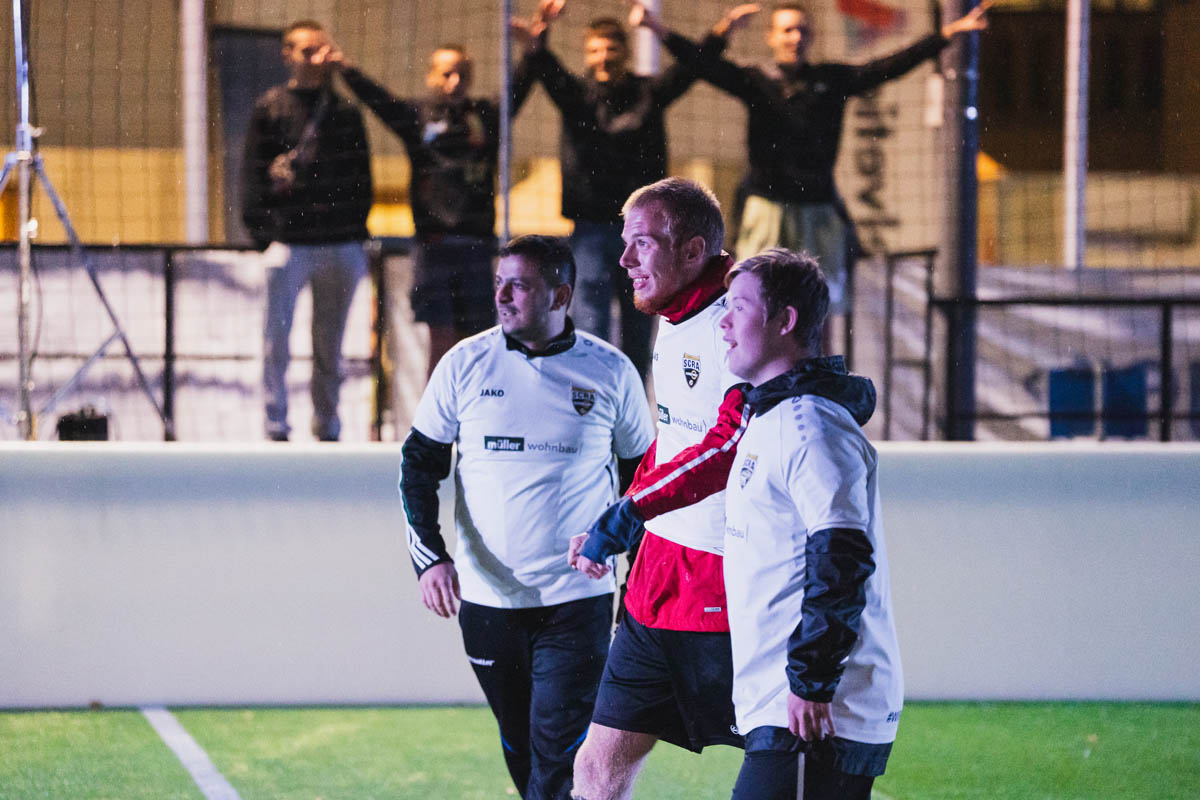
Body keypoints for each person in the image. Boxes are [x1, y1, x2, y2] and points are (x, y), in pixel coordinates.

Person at [399, 235, 655, 800]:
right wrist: (430, 559)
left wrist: (635, 580)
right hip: (487, 600)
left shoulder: (611, 371)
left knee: (559, 750)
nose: (502, 296)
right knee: (520, 743)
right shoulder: (463, 364)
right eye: (500, 283)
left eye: (519, 285)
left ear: (561, 295)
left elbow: (643, 485)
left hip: (577, 600)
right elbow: (417, 466)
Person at [634, 0, 991, 350]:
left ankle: (818, 377)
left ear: (812, 37)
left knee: (820, 308)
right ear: (772, 37)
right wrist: (675, 29)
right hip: (767, 207)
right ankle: (754, 378)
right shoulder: (755, 80)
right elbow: (702, 64)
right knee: (752, 302)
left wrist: (946, 35)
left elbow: (888, 66)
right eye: (787, 30)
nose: (795, 37)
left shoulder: (831, 80)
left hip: (818, 209)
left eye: (802, 30)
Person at [565, 178, 753, 800]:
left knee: (781, 766)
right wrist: (620, 516)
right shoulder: (674, 317)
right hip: (656, 580)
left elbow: (725, 446)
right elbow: (673, 443)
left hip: (723, 580)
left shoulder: (737, 322)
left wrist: (629, 512)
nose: (624, 260)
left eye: (642, 243)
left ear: (693, 250)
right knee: (597, 768)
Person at [718, 248, 899, 799]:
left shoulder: (810, 426)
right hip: (793, 707)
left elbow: (841, 558)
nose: (723, 322)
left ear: (785, 320)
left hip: (816, 715)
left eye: (739, 307)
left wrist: (811, 682)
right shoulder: (773, 418)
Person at [515, 1, 732, 380]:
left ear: (626, 51)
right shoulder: (575, 95)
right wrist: (541, 31)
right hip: (591, 228)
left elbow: (694, 67)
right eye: (595, 50)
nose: (603, 57)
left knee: (639, 327)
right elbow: (543, 65)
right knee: (590, 327)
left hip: (644, 233)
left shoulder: (648, 92)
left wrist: (708, 32)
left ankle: (632, 404)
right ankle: (595, 403)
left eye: (611, 49)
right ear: (586, 54)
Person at [333, 38, 537, 375]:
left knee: (477, 343)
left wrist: (533, 50)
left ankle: (476, 408)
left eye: (461, 74)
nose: (454, 81)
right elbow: (379, 101)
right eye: (446, 74)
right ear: (431, 76)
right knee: (441, 344)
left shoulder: (485, 115)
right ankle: (439, 410)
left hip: (475, 244)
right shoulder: (417, 116)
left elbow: (519, 88)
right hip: (433, 246)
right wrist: (346, 69)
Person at [242, 19, 373, 442]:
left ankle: (327, 426)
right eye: (306, 51)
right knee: (276, 342)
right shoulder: (270, 107)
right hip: (290, 243)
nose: (316, 59)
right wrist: (265, 235)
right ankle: (275, 425)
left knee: (330, 346)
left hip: (339, 242)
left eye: (322, 50)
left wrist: (353, 233)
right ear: (288, 55)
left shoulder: (345, 111)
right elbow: (251, 174)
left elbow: (363, 176)